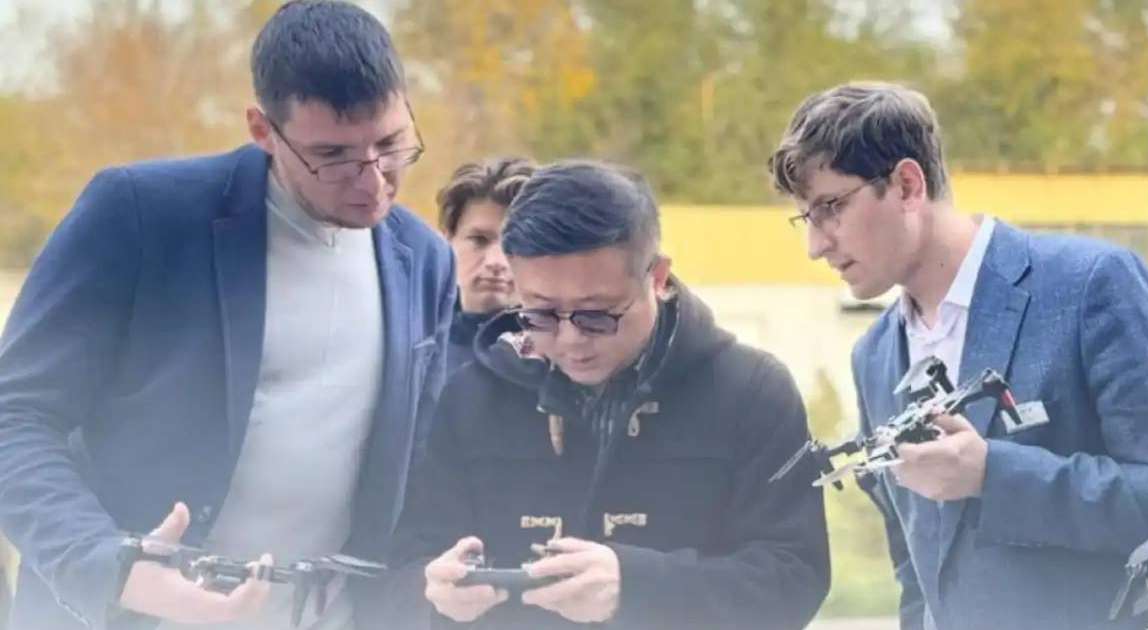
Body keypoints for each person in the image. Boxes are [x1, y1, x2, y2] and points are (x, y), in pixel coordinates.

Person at [0, 2, 456, 628]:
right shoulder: (138, 214)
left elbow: (419, 469)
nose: (373, 180)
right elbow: (15, 416)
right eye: (333, 154)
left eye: (392, 144)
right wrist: (109, 566)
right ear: (263, 130)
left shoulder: (426, 258)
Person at [769, 81, 1148, 629]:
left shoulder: (1092, 285)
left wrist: (995, 476)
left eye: (830, 207)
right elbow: (916, 574)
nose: (816, 243)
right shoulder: (875, 357)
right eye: (806, 217)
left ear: (906, 184)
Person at [390, 161, 830, 629]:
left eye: (596, 315)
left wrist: (638, 587)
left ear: (657, 278)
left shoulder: (751, 392)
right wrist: (431, 591)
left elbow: (795, 578)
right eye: (539, 314)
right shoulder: (471, 397)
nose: (571, 340)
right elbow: (407, 564)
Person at [436, 157, 535, 372]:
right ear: (447, 241)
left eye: (515, 244)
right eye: (479, 240)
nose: (496, 262)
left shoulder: (561, 359)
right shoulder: (410, 344)